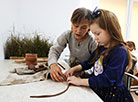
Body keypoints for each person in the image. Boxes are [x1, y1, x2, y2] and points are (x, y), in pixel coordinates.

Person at [65, 8, 134, 102]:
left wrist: (80, 81)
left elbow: (107, 79)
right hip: (99, 90)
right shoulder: (102, 47)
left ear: (110, 30)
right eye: (93, 34)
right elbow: (89, 62)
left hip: (113, 97)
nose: (95, 38)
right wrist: (76, 68)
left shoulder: (120, 52)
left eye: (98, 34)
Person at [48, 7, 97, 82]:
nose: (78, 31)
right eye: (76, 26)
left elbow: (96, 63)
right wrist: (53, 64)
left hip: (86, 74)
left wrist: (82, 71)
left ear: (89, 27)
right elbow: (55, 50)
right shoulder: (67, 35)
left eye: (83, 27)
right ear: (72, 23)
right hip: (71, 69)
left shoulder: (93, 41)